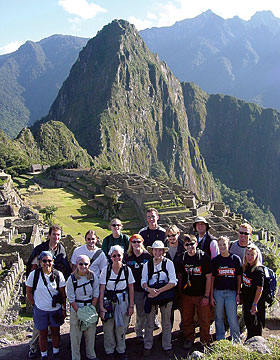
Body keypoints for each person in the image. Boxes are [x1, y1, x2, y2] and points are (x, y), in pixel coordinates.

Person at [26, 225, 71, 359]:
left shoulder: (61, 250)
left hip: (56, 289)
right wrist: (35, 302)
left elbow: (65, 267)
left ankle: (55, 350)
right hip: (41, 292)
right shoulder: (40, 250)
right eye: (54, 234)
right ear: (49, 235)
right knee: (39, 329)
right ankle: (34, 348)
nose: (56, 237)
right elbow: (33, 267)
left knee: (55, 328)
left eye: (58, 235)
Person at [176, 234, 212, 351]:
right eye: (187, 245)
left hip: (201, 295)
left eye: (192, 244)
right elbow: (180, 277)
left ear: (196, 244)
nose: (190, 247)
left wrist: (207, 295)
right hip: (187, 295)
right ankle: (189, 338)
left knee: (204, 319)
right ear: (184, 246)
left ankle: (205, 340)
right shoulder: (181, 258)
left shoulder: (204, 257)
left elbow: (209, 277)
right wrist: (180, 294)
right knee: (187, 319)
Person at [141, 240, 177, 358]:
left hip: (164, 293)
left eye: (160, 250)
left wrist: (159, 291)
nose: (157, 252)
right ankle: (148, 345)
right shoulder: (148, 265)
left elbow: (173, 282)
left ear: (163, 251)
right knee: (149, 322)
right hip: (151, 293)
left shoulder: (168, 263)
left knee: (166, 322)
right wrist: (149, 290)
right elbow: (143, 281)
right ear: (152, 251)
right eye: (155, 250)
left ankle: (167, 345)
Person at [99, 245, 135, 360]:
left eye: (119, 255)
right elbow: (102, 289)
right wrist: (101, 307)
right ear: (110, 257)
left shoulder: (127, 270)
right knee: (108, 327)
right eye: (114, 255)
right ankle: (109, 350)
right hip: (108, 302)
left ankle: (121, 349)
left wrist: (131, 306)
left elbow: (131, 288)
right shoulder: (106, 270)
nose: (116, 257)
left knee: (121, 326)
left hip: (122, 301)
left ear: (122, 256)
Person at [66, 255, 99, 360]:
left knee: (90, 334)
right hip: (77, 309)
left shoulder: (93, 277)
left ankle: (91, 355)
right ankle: (76, 357)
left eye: (86, 264)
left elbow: (96, 294)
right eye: (81, 264)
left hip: (90, 307)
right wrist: (80, 313)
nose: (83, 266)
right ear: (77, 264)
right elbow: (71, 298)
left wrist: (90, 311)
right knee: (75, 336)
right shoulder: (71, 279)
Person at [211, 236, 242, 343]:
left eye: (224, 244)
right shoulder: (215, 261)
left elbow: (239, 278)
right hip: (218, 292)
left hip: (231, 293)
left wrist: (238, 293)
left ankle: (236, 340)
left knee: (232, 317)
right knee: (218, 317)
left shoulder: (235, 259)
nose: (222, 247)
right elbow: (212, 279)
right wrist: (211, 296)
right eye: (220, 245)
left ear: (228, 245)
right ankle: (220, 339)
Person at [124, 234, 151, 342]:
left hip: (141, 289)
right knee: (126, 312)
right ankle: (123, 332)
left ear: (142, 242)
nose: (136, 244)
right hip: (128, 289)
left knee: (141, 312)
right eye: (134, 242)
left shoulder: (147, 256)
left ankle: (139, 332)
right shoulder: (127, 256)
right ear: (131, 243)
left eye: (138, 242)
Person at [242, 244, 265, 340]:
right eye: (248, 254)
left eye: (252, 255)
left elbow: (260, 289)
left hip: (256, 302)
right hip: (247, 301)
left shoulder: (258, 270)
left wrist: (255, 304)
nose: (250, 257)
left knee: (255, 324)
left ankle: (257, 344)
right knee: (248, 322)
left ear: (256, 256)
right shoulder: (246, 267)